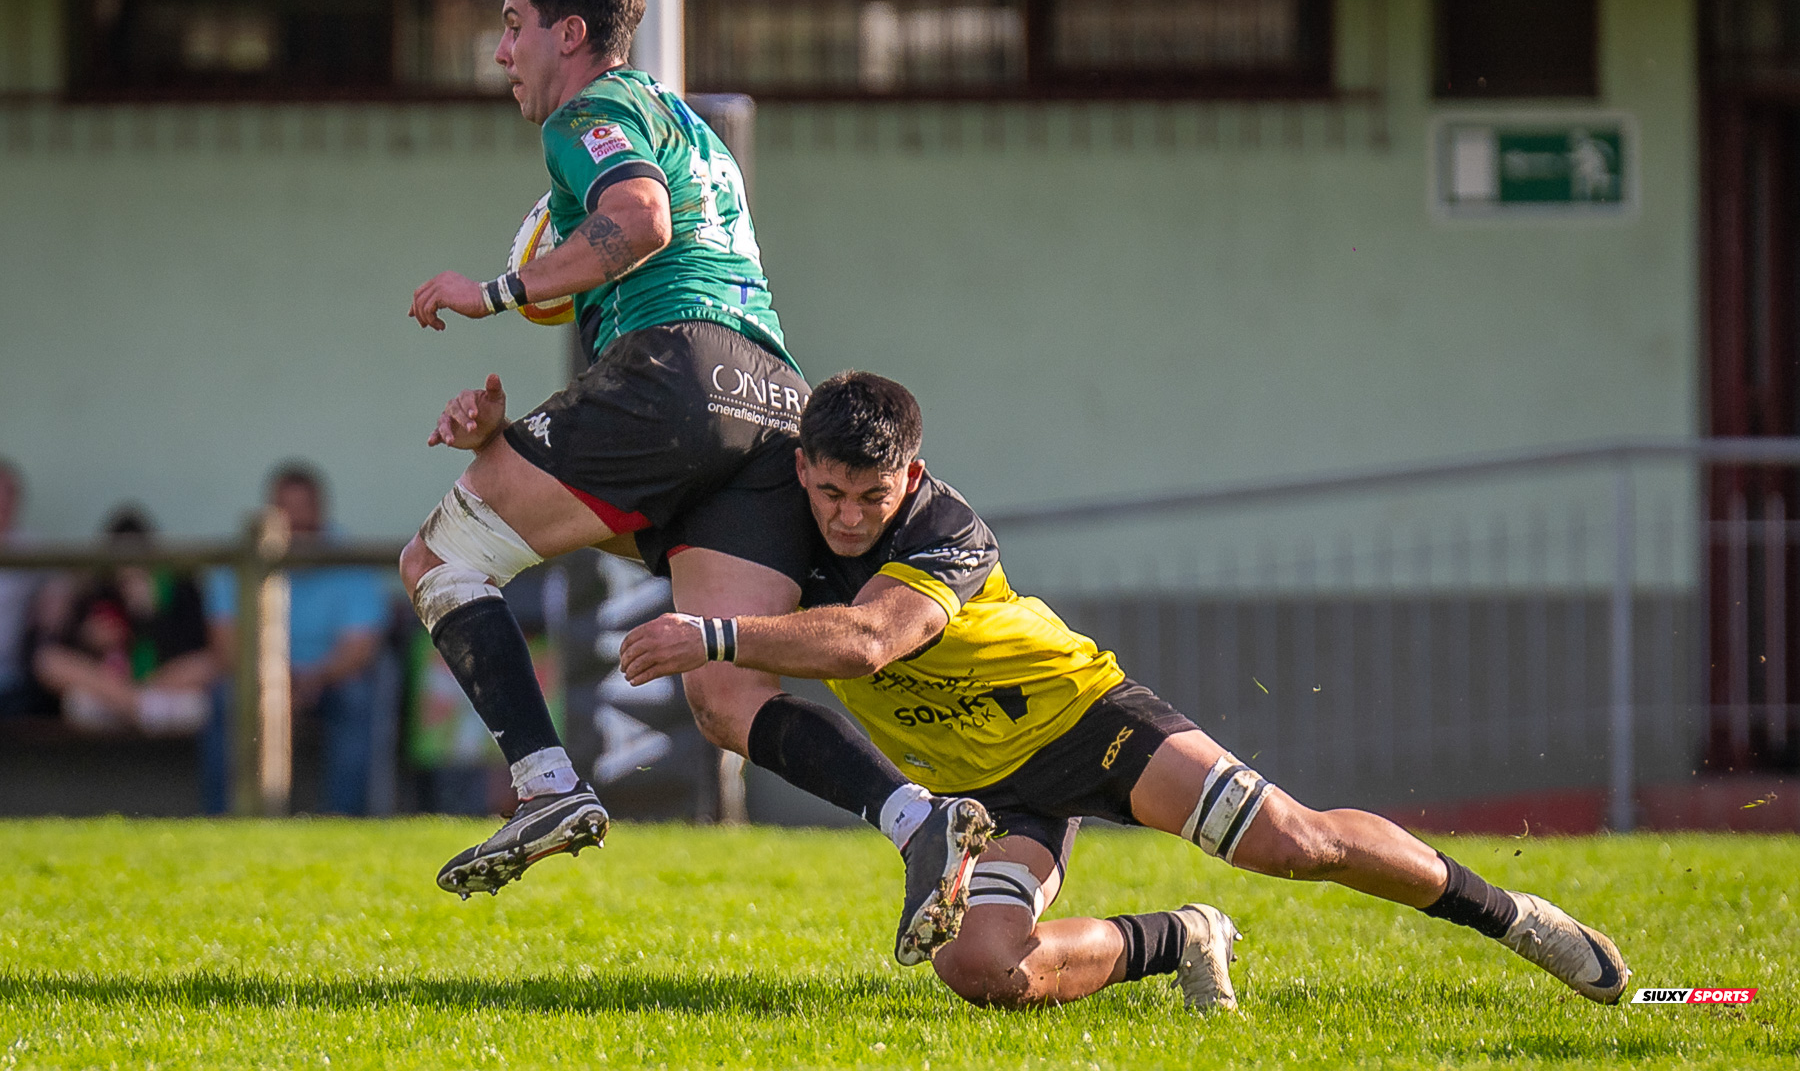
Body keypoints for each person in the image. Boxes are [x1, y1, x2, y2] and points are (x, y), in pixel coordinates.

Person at [618, 372, 1633, 1011]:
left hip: (1089, 726)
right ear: (803, 467)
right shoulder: (783, 523)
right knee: (979, 972)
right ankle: (1181, 938)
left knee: (1297, 843)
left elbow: (873, 642)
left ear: (912, 474)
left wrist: (711, 632)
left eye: (869, 497)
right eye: (829, 491)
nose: (846, 515)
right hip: (988, 795)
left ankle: (1518, 920)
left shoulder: (945, 530)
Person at [401, 0, 989, 961]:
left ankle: (545, 784)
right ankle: (918, 819)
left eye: (511, 26)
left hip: (673, 372)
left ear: (568, 33)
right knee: (723, 692)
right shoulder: (686, 125)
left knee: (439, 561)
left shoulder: (590, 113)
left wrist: (493, 292)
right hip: (771, 401)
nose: (501, 53)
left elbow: (640, 220)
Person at [206, 463, 388, 815]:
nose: (297, 532)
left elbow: (361, 647)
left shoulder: (350, 559)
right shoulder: (237, 561)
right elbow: (226, 647)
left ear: (322, 515)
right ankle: (224, 820)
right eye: (287, 519)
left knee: (357, 698)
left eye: (305, 519)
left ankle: (343, 823)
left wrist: (313, 679)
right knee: (224, 698)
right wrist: (275, 682)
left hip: (328, 679)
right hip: (256, 678)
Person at [32, 505, 213, 735]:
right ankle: (136, 705)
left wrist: (148, 615)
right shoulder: (96, 591)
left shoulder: (179, 589)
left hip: (165, 691)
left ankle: (138, 704)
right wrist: (88, 640)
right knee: (52, 665)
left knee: (209, 668)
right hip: (111, 694)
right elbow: (60, 655)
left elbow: (192, 652)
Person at [0, 459, 49, 719]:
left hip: (11, 680)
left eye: (9, 494)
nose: (3, 502)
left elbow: (64, 585)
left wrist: (53, 603)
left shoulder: (30, 550)